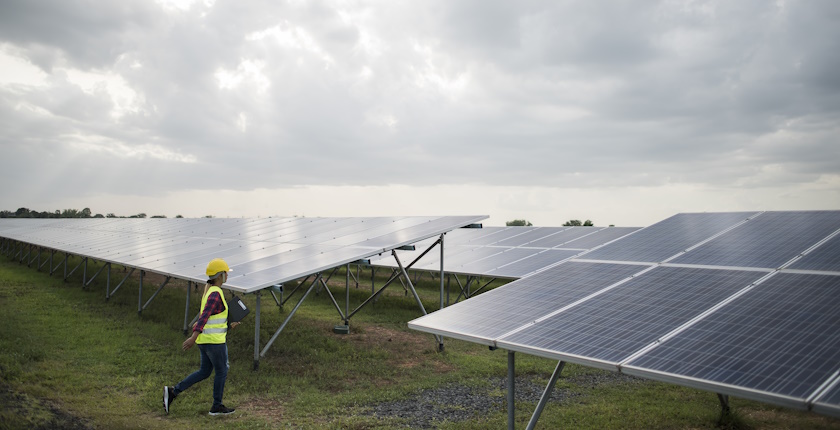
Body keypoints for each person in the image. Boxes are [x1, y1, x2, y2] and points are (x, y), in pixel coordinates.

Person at [164, 258, 239, 415]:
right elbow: (204, 317)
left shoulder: (210, 291)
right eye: (226, 273)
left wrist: (228, 325)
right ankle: (216, 406)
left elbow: (212, 319)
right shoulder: (215, 294)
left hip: (205, 341)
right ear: (220, 275)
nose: (227, 275)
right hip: (214, 343)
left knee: (204, 372)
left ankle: (173, 392)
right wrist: (193, 337)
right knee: (222, 371)